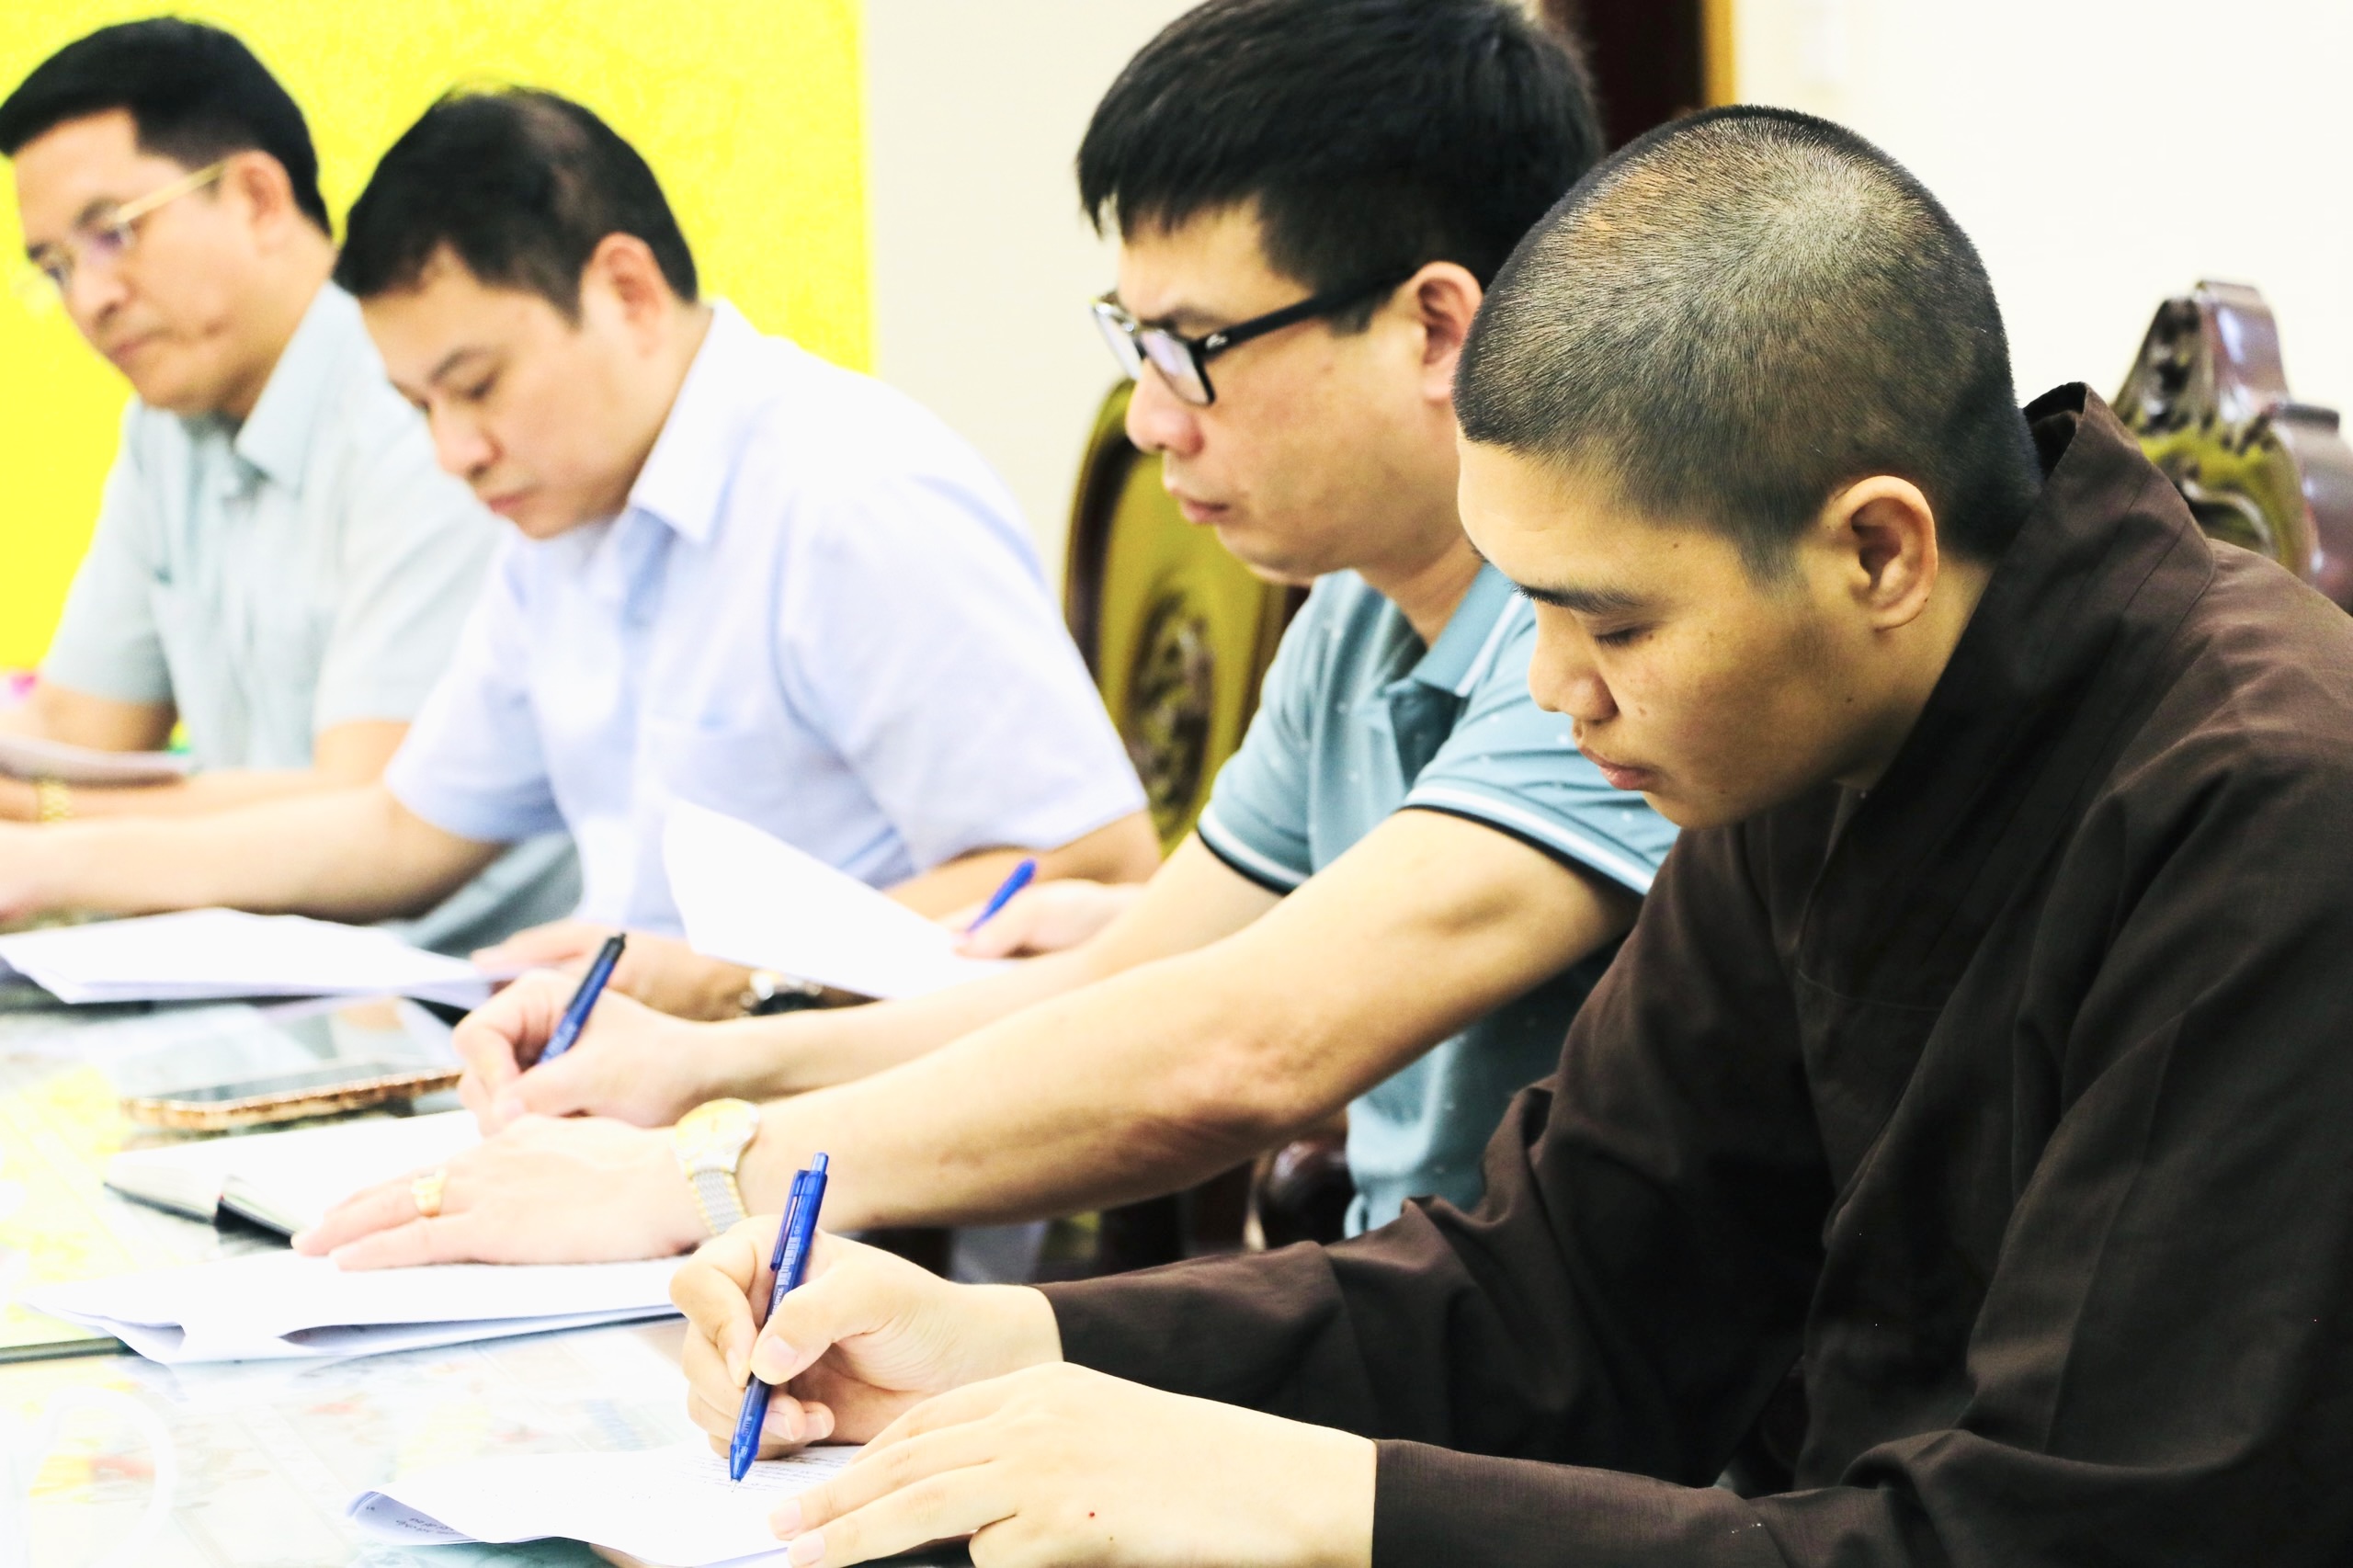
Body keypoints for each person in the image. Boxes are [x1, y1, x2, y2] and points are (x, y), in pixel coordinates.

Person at [666, 106, 2353, 1566]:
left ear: (1878, 552)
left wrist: (1315, 1498)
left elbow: (2069, 1540)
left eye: (1609, 623)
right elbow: (1567, 1298)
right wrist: (1015, 1344)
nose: (1555, 691)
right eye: (1527, 608)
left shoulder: (2265, 810)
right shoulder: (1812, 725)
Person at [291, 0, 1677, 1269]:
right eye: (1133, 344)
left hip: (1548, 1388)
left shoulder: (1601, 639)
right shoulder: (1358, 614)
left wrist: (696, 1169)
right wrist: (700, 1069)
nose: (1151, 418)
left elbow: (1241, 1051)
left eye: (1192, 348)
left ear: (1433, 328)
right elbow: (1123, 980)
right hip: (1418, 1313)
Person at [0, 87, 1158, 1012]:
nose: (454, 451)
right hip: (648, 1095)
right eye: (419, 407)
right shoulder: (563, 516)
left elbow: (1095, 866)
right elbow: (402, 829)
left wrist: (714, 971)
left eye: (477, 385)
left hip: (857, 1154)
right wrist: (46, 869)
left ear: (627, 291)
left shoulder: (848, 493)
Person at [0, 19, 573, 950]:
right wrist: (39, 804)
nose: (88, 300)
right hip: (260, 967)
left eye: (113, 234)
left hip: (457, 979)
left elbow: (371, 806)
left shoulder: (419, 404)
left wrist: (45, 826)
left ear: (259, 198)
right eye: (54, 267)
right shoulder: (166, 425)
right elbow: (75, 729)